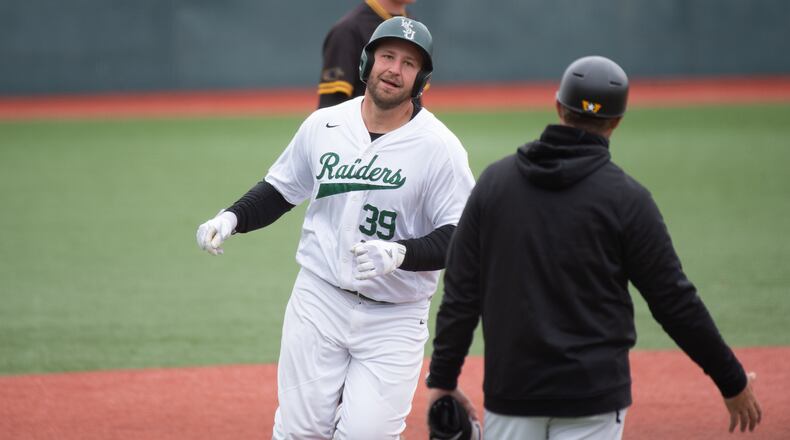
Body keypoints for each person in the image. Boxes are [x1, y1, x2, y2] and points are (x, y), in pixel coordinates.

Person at [425, 56, 762, 438]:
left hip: (512, 395)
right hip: (593, 398)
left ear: (558, 106)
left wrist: (443, 381)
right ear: (616, 122)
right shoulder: (627, 199)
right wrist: (731, 380)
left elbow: (462, 292)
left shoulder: (495, 184)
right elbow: (674, 301)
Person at [197, 17, 474, 439]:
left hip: (394, 317)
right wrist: (230, 218)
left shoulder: (439, 147)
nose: (394, 70)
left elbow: (462, 235)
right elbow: (281, 188)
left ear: (422, 79)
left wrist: (402, 252)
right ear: (367, 62)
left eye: (408, 63)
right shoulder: (325, 125)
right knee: (299, 433)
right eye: (387, 56)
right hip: (319, 301)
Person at [317, 0, 415, 109]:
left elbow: (414, 102)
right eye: (388, 56)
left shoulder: (413, 28)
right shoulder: (348, 30)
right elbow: (330, 110)